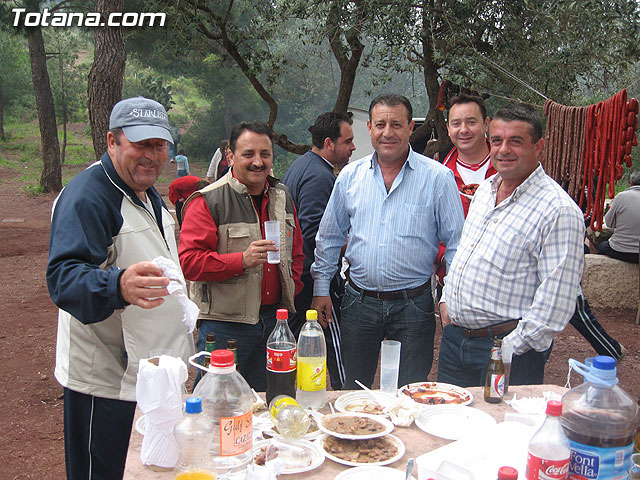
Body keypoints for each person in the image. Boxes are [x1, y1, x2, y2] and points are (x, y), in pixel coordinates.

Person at [46, 96, 195, 479]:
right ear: (112, 141)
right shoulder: (89, 197)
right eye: (140, 144)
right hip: (108, 382)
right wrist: (118, 284)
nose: (152, 156)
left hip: (148, 376)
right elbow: (63, 277)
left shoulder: (147, 194)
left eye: (159, 145)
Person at [311, 94, 465, 389]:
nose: (387, 132)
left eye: (396, 124)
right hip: (358, 303)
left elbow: (457, 245)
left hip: (414, 306)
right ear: (369, 127)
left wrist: (450, 295)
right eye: (380, 124)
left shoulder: (438, 178)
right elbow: (329, 238)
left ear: (410, 127)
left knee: (411, 391)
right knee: (354, 390)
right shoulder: (349, 177)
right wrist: (321, 291)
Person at [437, 103, 585, 387]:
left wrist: (506, 349)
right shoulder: (485, 191)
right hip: (456, 342)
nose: (503, 150)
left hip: (508, 349)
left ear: (538, 147)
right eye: (497, 140)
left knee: (502, 428)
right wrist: (446, 300)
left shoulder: (558, 211)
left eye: (515, 141)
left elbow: (556, 305)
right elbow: (466, 252)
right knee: (450, 424)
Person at [179, 121, 305, 391]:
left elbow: (296, 253)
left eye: (265, 154)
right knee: (217, 403)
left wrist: (290, 289)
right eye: (248, 154)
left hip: (275, 323)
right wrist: (241, 260)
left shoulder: (282, 196)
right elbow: (189, 262)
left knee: (272, 398)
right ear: (230, 156)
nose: (258, 162)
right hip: (226, 327)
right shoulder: (208, 200)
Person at [282, 112, 356, 390]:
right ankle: (345, 394)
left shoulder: (301, 165)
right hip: (313, 279)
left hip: (298, 276)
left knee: (297, 343)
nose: (353, 147)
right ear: (329, 143)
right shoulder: (320, 176)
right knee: (335, 345)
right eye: (347, 141)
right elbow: (315, 233)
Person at [597, 169, 640, 264]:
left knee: (601, 246)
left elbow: (609, 224)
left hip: (620, 250)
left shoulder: (622, 196)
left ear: (631, 182)